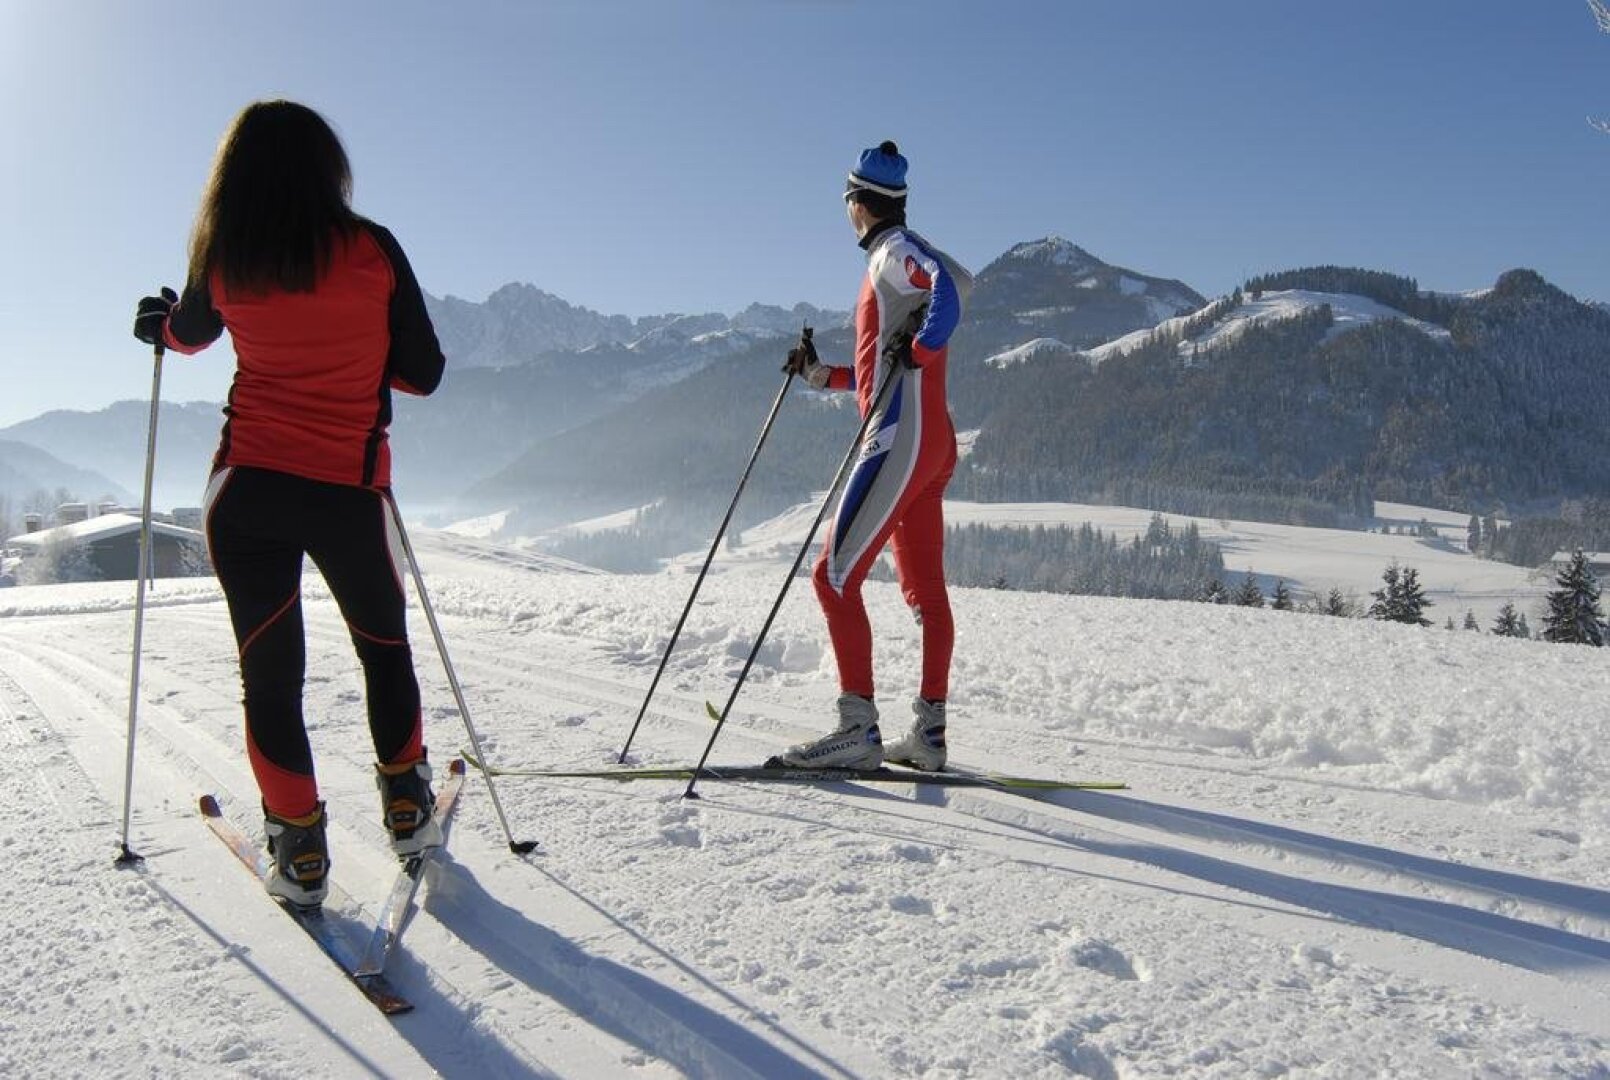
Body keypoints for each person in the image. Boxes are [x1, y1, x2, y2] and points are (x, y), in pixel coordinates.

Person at [132, 100, 447, 908]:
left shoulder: (227, 253)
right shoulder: (373, 250)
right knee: (384, 650)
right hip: (350, 493)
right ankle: (408, 810)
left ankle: (299, 853)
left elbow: (188, 335)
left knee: (270, 678)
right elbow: (423, 373)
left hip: (248, 495)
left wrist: (157, 326)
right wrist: (360, 354)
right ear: (327, 168)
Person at [778, 140, 972, 771]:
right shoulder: (896, 258)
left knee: (832, 577)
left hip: (901, 439)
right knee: (926, 594)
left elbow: (950, 287)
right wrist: (821, 375)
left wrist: (923, 347)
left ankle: (857, 731)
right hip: (931, 441)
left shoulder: (891, 253)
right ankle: (929, 736)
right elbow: (879, 371)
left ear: (857, 203)